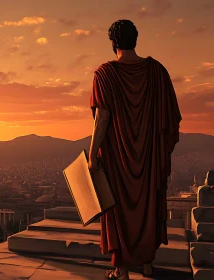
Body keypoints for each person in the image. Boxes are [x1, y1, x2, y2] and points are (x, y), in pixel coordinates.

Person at [88, 19, 182, 280]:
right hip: (149, 156)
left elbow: (102, 118)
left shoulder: (104, 74)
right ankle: (147, 264)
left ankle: (121, 269)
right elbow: (170, 119)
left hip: (117, 158)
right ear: (135, 39)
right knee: (147, 206)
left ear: (113, 42)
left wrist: (92, 154)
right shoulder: (157, 72)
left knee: (118, 209)